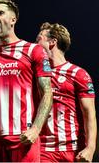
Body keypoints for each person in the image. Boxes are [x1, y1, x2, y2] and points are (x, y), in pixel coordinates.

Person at [0, 0, 53, 162]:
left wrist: (36, 129)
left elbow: (47, 93)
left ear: (13, 19)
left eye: (0, 13)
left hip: (24, 139)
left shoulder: (34, 50)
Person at [36, 22, 97, 162]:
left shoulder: (78, 73)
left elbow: (89, 114)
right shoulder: (35, 75)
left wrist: (90, 148)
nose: (33, 45)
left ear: (52, 42)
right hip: (43, 150)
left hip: (73, 150)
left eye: (38, 39)